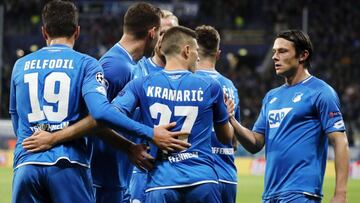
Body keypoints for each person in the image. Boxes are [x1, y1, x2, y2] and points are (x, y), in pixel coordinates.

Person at [10, 1, 188, 202]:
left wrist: (37, 142)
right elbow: (99, 114)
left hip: (26, 164)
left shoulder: (20, 65)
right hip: (69, 164)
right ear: (77, 31)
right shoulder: (90, 64)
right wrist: (149, 134)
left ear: (44, 32)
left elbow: (16, 117)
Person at [111, 26, 234, 203]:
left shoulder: (141, 84)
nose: (198, 57)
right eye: (196, 51)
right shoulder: (211, 86)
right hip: (202, 179)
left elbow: (111, 115)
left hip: (161, 182)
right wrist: (227, 116)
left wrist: (148, 132)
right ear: (186, 50)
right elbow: (225, 137)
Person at [228, 30, 349, 203]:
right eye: (274, 52)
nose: (274, 57)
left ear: (303, 55)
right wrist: (231, 119)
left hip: (301, 194)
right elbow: (256, 143)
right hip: (270, 195)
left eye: (282, 51)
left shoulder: (321, 92)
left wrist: (340, 194)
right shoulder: (271, 97)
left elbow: (340, 141)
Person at [128, 9, 179, 203]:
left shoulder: (192, 76)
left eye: (173, 32)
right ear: (155, 34)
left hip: (180, 170)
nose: (168, 38)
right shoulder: (137, 71)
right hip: (143, 169)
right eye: (163, 32)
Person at [194, 25, 240, 203]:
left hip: (197, 175)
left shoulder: (188, 82)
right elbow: (233, 140)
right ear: (218, 54)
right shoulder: (230, 86)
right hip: (227, 175)